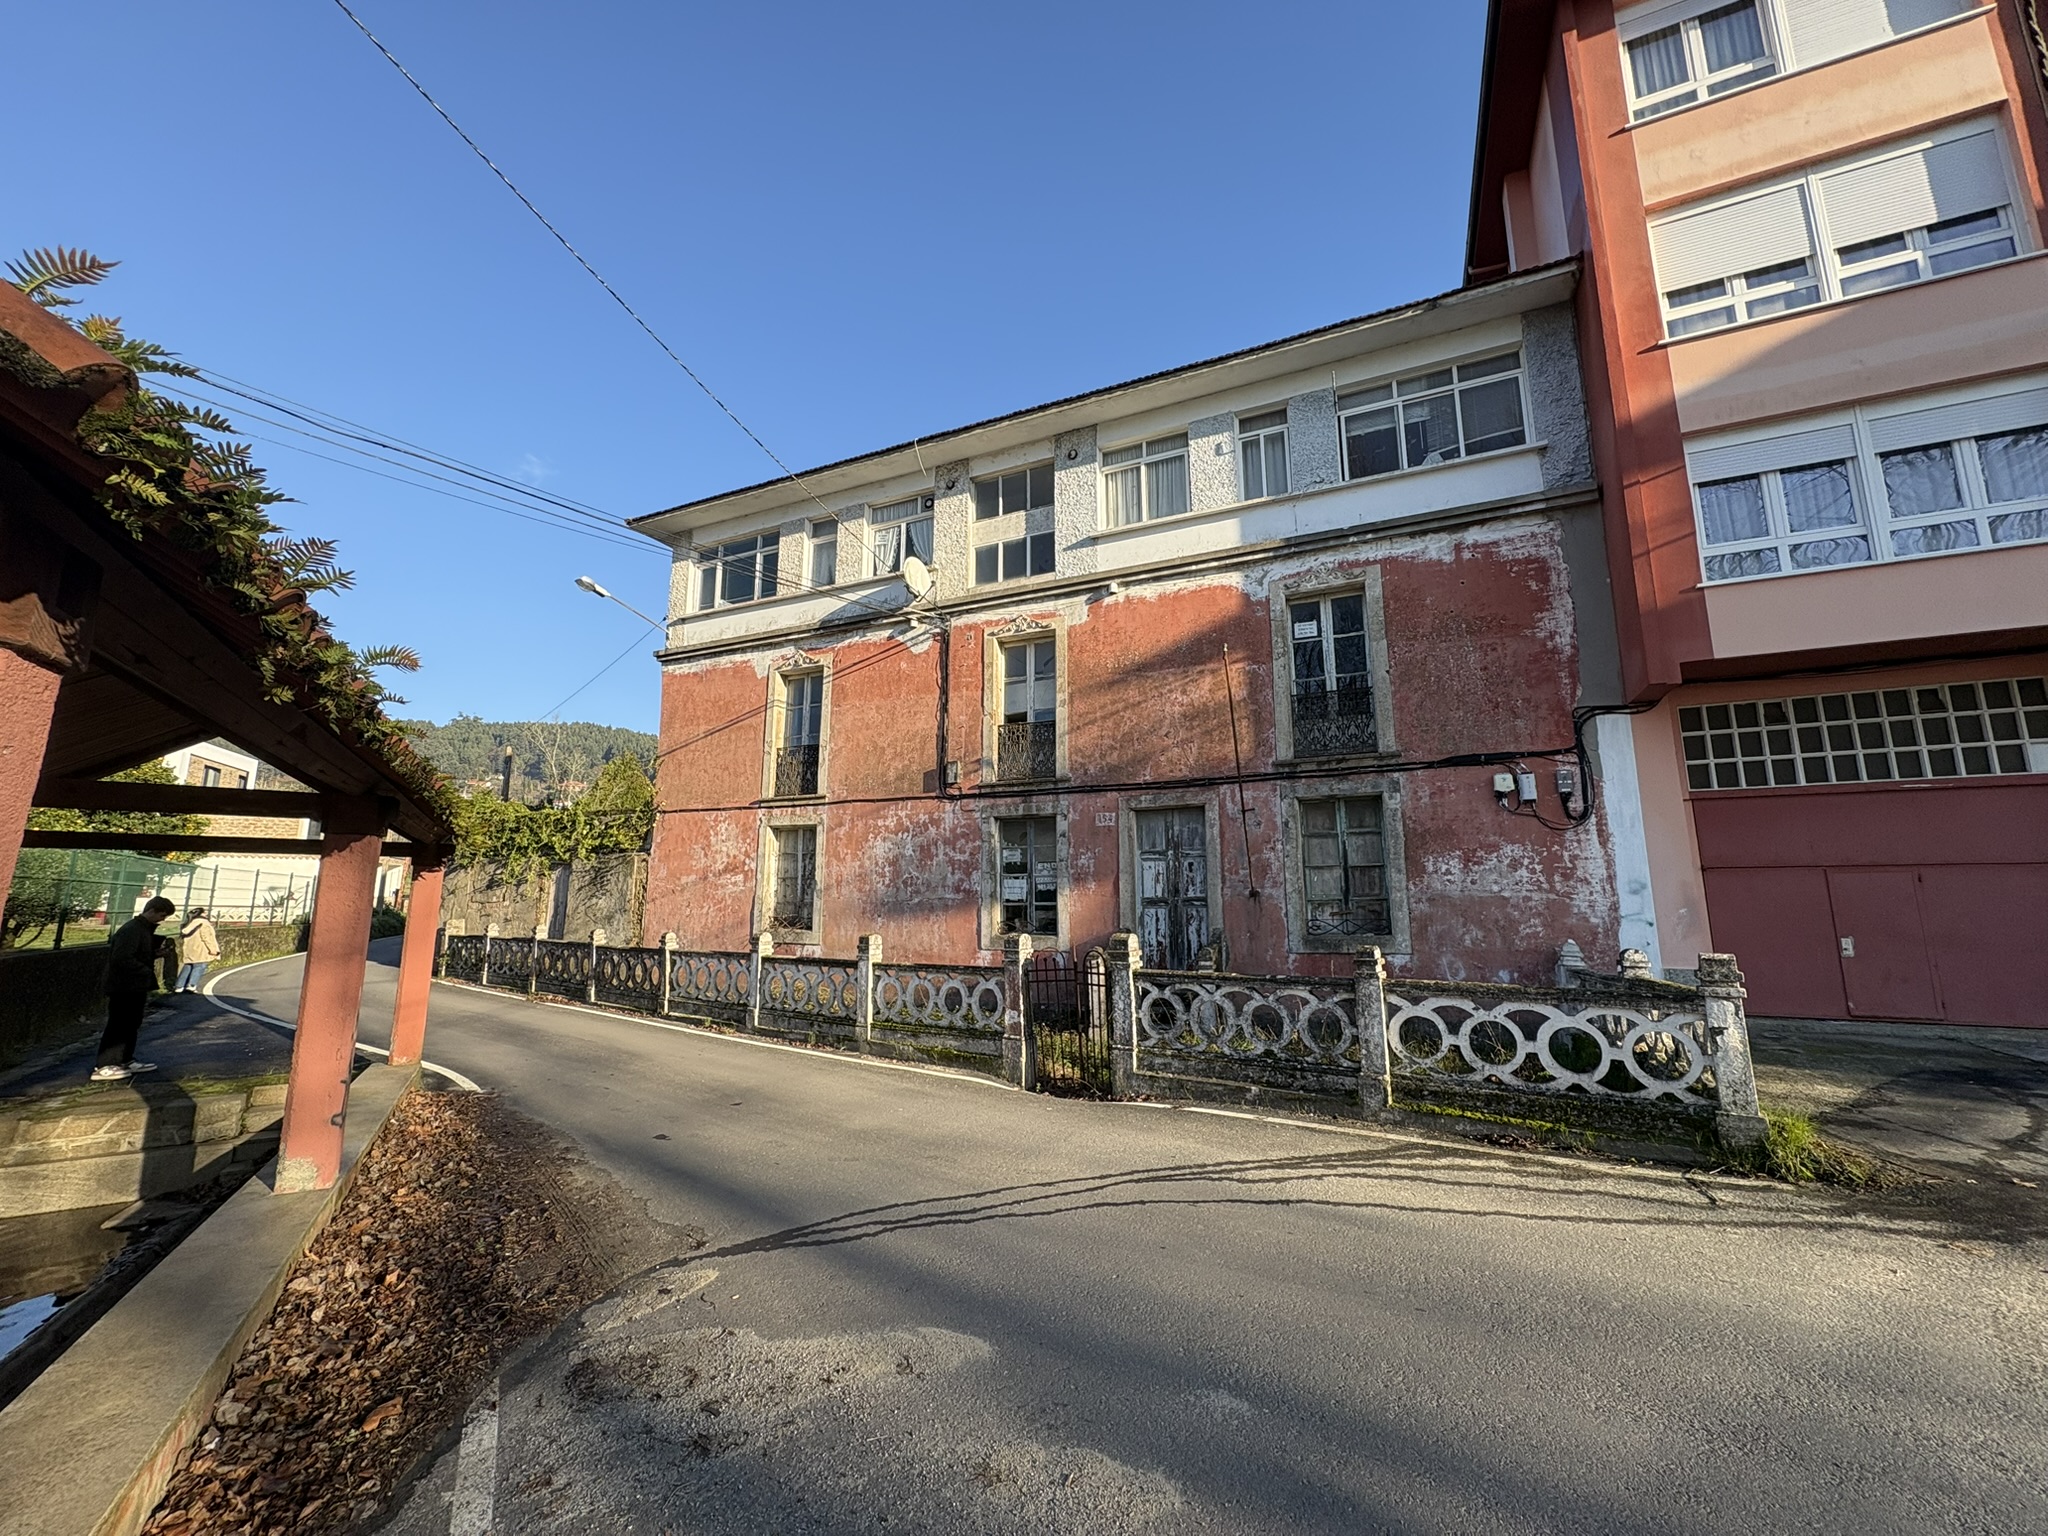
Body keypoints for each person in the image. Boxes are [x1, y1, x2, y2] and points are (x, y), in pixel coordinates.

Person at [92, 896, 174, 1082]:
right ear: (151, 910)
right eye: (162, 915)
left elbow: (135, 954)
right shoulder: (132, 930)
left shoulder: (141, 929)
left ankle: (124, 1060)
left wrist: (154, 954)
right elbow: (122, 958)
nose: (162, 919)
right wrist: (144, 970)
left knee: (131, 1023)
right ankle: (105, 1065)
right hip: (124, 985)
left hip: (134, 985)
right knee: (119, 1024)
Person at [175, 907, 221, 993]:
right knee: (200, 966)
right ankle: (192, 985)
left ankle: (179, 986)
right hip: (201, 948)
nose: (206, 914)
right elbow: (207, 937)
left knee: (188, 966)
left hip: (189, 948)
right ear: (201, 914)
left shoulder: (190, 923)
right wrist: (213, 949)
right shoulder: (204, 923)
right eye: (205, 912)